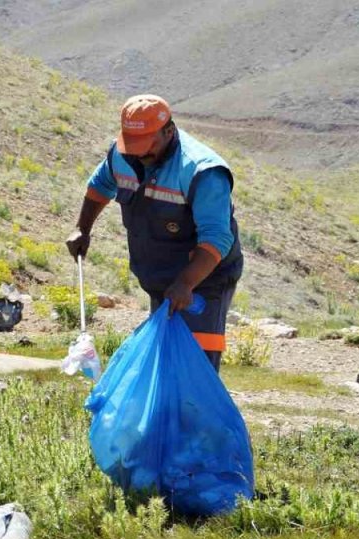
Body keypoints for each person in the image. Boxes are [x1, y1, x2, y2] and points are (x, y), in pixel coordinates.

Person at [65, 94, 243, 370]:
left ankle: (195, 413)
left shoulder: (202, 171)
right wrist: (82, 229)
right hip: (160, 275)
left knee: (194, 363)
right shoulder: (121, 155)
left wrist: (185, 283)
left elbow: (216, 238)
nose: (139, 155)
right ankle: (164, 413)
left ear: (169, 131)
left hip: (205, 277)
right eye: (133, 146)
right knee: (164, 357)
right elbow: (100, 186)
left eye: (147, 147)